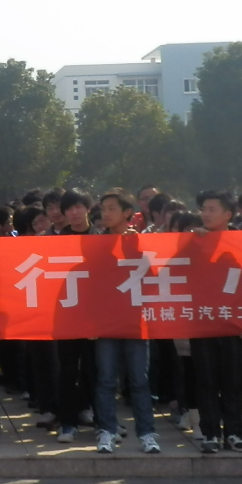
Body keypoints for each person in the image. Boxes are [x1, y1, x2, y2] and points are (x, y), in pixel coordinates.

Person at [91, 190, 161, 455]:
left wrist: (136, 246)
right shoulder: (97, 244)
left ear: (127, 213)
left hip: (135, 321)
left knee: (139, 381)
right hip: (106, 322)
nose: (106, 213)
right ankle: (107, 431)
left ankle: (147, 433)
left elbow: (153, 276)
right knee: (106, 379)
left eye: (112, 208)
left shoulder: (140, 241)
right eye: (103, 208)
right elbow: (89, 281)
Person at [192, 190, 242, 454]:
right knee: (206, 381)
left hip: (233, 324)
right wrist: (194, 244)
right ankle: (210, 433)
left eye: (211, 209)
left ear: (228, 214)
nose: (205, 214)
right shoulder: (193, 242)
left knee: (232, 382)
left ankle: (235, 433)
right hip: (202, 322)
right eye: (203, 209)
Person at [51, 190, 97, 444]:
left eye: (79, 207)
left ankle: (101, 420)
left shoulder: (101, 238)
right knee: (67, 371)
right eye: (69, 208)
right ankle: (67, 423)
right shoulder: (57, 241)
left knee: (96, 370)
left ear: (88, 208)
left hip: (95, 316)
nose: (75, 212)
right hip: (66, 316)